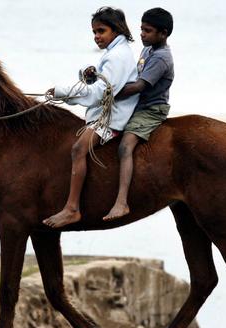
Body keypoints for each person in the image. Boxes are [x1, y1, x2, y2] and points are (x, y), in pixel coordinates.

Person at [42, 7, 140, 228]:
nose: (96, 36)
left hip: (113, 117)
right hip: (107, 111)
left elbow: (101, 93)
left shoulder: (117, 57)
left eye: (101, 31)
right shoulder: (116, 52)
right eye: (94, 32)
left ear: (117, 30)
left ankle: (72, 208)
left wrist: (62, 91)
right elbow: (102, 83)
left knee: (78, 149)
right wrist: (88, 74)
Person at [103, 7, 174, 221]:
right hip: (136, 105)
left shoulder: (161, 58)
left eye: (148, 30)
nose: (142, 34)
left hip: (150, 109)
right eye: (141, 29)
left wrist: (108, 92)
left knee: (125, 146)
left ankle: (122, 202)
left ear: (163, 33)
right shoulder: (148, 50)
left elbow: (138, 86)